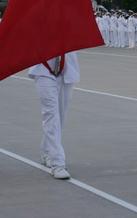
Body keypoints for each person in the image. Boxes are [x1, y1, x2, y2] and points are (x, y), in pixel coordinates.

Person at [29, 52, 79, 180]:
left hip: (66, 69)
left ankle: (46, 151)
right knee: (51, 114)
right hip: (43, 69)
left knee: (60, 117)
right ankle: (58, 164)